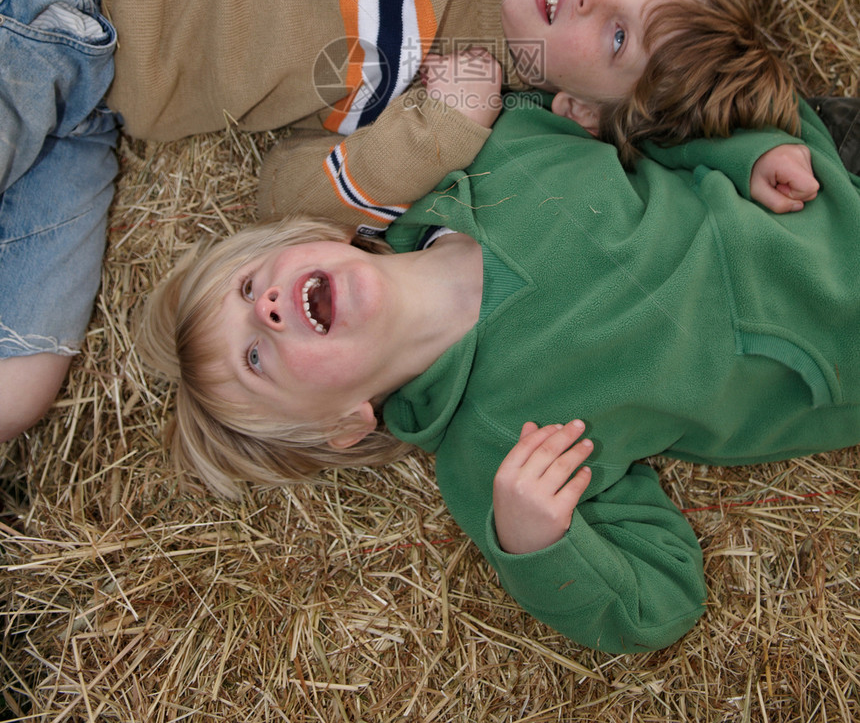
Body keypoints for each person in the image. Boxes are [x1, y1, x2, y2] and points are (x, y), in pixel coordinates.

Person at [0, 0, 831, 439]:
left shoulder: (474, 132)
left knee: (24, 383)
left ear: (589, 109)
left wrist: (433, 134)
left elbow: (285, 204)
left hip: (92, 109)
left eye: (618, 37)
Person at [138, 91, 860, 654]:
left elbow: (658, 111)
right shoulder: (493, 451)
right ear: (344, 422)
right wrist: (539, 544)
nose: (263, 307)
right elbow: (660, 599)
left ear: (316, 237)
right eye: (255, 358)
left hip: (820, 167)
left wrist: (748, 154)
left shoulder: (490, 153)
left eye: (245, 287)